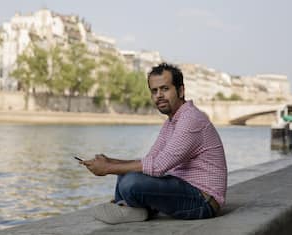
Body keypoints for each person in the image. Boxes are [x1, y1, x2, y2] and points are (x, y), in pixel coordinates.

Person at [80, 62, 227, 224]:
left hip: (203, 201)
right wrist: (111, 161)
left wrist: (108, 168)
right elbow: (151, 159)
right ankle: (132, 209)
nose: (159, 95)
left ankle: (131, 209)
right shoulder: (171, 122)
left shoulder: (190, 120)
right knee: (125, 175)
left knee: (131, 182)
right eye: (154, 91)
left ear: (181, 90)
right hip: (185, 189)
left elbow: (158, 166)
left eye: (165, 89)